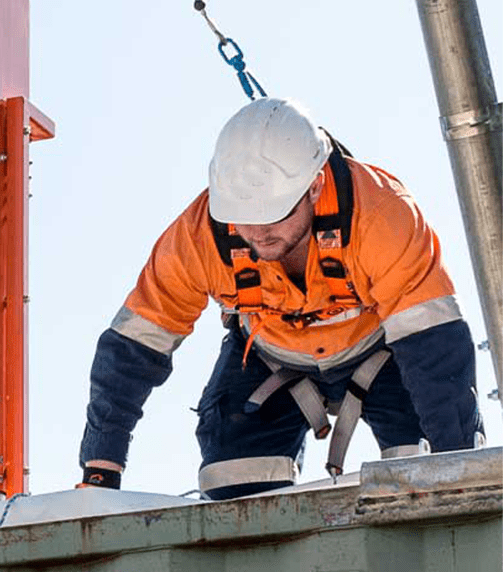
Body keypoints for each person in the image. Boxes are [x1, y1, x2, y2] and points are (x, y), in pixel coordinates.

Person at [78, 98, 484, 499]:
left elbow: (434, 345)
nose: (257, 232)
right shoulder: (199, 235)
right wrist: (101, 465)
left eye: (273, 214)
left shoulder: (382, 215)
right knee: (229, 486)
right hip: (269, 359)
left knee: (427, 479)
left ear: (315, 187)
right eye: (242, 216)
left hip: (386, 357)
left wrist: (461, 465)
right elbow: (134, 346)